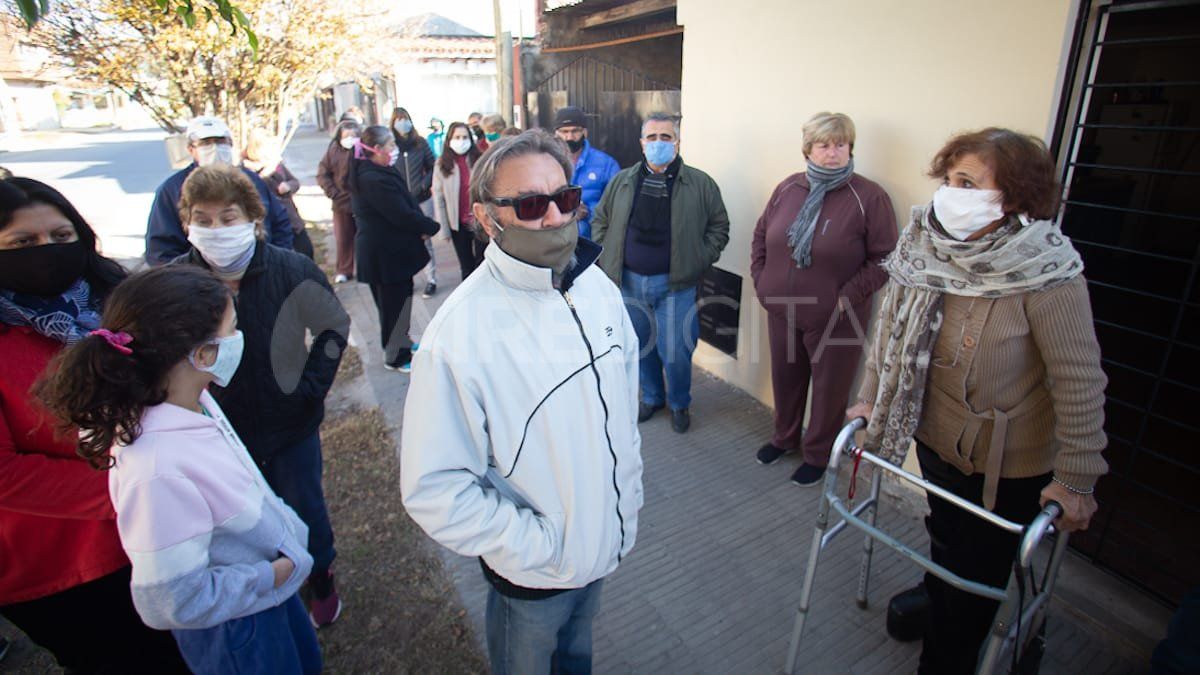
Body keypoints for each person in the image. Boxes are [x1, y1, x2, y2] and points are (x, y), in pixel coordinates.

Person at [846, 128, 1108, 674]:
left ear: (1011, 197)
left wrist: (1077, 478)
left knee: (977, 579)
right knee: (944, 536)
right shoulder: (923, 249)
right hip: (937, 438)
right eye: (947, 180)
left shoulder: (1046, 272)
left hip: (1008, 466)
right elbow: (889, 338)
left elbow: (1080, 382)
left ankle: (947, 655)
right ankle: (939, 596)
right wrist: (871, 401)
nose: (949, 194)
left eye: (967, 182)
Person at [401, 131, 644, 674]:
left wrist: (628, 495)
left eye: (566, 198)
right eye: (532, 205)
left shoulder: (597, 288)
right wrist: (539, 546)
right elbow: (433, 489)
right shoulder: (458, 334)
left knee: (576, 659)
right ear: (488, 219)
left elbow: (622, 411)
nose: (556, 217)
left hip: (602, 548)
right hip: (533, 580)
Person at [37, 265, 322, 675]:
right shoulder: (156, 469)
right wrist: (270, 576)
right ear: (203, 354)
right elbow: (170, 599)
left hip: (267, 596)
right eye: (233, 328)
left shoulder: (193, 399)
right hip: (238, 628)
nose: (239, 338)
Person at [0, 177, 188, 673]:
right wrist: (132, 492)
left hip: (160, 527)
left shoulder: (116, 302)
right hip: (67, 563)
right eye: (22, 243)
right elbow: (5, 474)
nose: (47, 252)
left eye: (61, 237)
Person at [171, 164, 349, 627]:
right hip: (216, 435)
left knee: (305, 509)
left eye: (228, 218)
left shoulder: (292, 269)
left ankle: (321, 581)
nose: (216, 230)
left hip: (290, 425)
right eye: (203, 220)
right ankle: (267, 591)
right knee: (237, 523)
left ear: (252, 218)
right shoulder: (174, 286)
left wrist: (309, 390)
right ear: (187, 224)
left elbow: (332, 326)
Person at [750, 112, 898, 486]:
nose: (833, 153)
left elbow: (885, 258)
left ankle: (818, 453)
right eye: (824, 145)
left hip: (838, 317)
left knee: (830, 388)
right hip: (783, 310)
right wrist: (761, 280)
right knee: (785, 378)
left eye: (841, 144)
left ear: (850, 148)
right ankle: (784, 438)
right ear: (808, 150)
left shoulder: (868, 196)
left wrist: (844, 298)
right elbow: (761, 235)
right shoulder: (788, 188)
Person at [592, 111, 731, 434]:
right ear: (642, 143)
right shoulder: (623, 181)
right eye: (652, 137)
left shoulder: (700, 183)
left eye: (665, 137)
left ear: (677, 142)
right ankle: (652, 397)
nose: (658, 143)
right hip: (628, 282)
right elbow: (601, 220)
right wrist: (609, 254)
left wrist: (700, 259)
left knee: (677, 351)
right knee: (641, 347)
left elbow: (719, 227)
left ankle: (679, 402)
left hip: (676, 286)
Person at [349, 125, 441, 373]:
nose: (394, 150)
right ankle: (395, 357)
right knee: (392, 307)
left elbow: (405, 204)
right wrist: (429, 226)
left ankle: (402, 343)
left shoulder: (379, 171)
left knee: (398, 302)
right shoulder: (371, 179)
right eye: (390, 145)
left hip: (391, 253)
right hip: (384, 255)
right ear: (376, 149)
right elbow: (400, 213)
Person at [145, 116, 293, 265]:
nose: (215, 147)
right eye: (206, 143)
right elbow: (161, 251)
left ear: (230, 144)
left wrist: (273, 265)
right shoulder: (172, 190)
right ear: (191, 149)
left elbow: (280, 223)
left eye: (220, 141)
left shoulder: (252, 181)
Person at [390, 106, 440, 298]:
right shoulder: (391, 145)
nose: (403, 123)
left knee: (425, 239)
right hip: (400, 201)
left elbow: (433, 165)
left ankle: (431, 279)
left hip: (422, 199)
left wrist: (424, 185)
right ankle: (408, 278)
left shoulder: (420, 143)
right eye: (399, 119)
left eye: (405, 118)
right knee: (404, 240)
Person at [243, 126, 314, 260]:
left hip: (292, 220)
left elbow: (295, 182)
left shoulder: (276, 165)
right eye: (267, 147)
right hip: (271, 224)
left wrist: (288, 186)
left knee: (306, 252)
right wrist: (265, 173)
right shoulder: (248, 171)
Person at [553, 106, 620, 241]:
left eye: (575, 131)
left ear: (585, 132)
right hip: (556, 243)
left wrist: (588, 212)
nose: (569, 137)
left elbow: (617, 209)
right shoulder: (547, 164)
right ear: (556, 134)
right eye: (564, 132)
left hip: (593, 244)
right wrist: (568, 213)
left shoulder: (606, 164)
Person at [432, 121, 486, 281]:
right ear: (449, 140)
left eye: (465, 137)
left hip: (479, 220)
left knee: (482, 263)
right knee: (466, 265)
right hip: (458, 223)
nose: (461, 141)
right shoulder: (442, 164)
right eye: (457, 137)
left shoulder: (479, 159)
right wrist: (444, 229)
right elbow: (438, 198)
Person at [318, 119, 361, 283]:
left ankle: (362, 267)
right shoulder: (332, 151)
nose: (350, 139)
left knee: (362, 237)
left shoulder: (362, 151)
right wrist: (333, 192)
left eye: (353, 135)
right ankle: (344, 270)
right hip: (340, 203)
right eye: (347, 135)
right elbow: (323, 174)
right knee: (343, 238)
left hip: (360, 202)